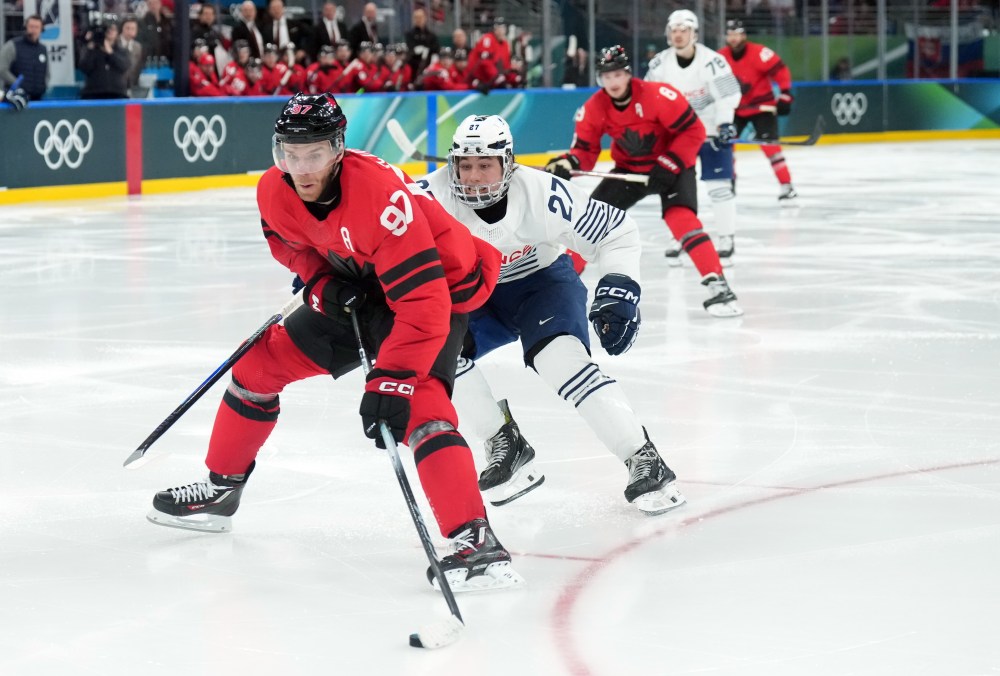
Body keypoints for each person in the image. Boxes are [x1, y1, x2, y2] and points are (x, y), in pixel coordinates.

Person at [146, 93, 522, 593]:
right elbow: (290, 246)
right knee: (260, 363)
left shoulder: (380, 198)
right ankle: (221, 490)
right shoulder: (273, 189)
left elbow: (423, 304)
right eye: (290, 154)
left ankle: (477, 542)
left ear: (339, 149)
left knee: (420, 405)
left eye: (315, 154)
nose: (301, 168)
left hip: (438, 288)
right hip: (362, 283)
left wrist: (391, 381)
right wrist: (322, 284)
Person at [416, 114, 686, 515]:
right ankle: (503, 441)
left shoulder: (542, 193)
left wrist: (619, 288)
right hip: (472, 291)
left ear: (508, 163)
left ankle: (642, 456)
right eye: (465, 165)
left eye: (485, 164)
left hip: (540, 285)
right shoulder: (426, 196)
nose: (473, 178)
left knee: (561, 361)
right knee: (433, 354)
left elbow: (616, 230)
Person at [544, 45, 742, 318]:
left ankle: (718, 285)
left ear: (628, 74)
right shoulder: (593, 108)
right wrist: (569, 163)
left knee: (681, 219)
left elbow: (693, 130)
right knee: (589, 224)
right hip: (629, 171)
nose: (613, 82)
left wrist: (670, 163)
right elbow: (585, 151)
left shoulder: (658, 95)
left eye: (617, 74)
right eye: (606, 76)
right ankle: (558, 290)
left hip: (671, 167)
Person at [645, 10, 742, 266]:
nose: (678, 35)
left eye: (684, 30)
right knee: (675, 188)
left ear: (694, 33)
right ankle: (679, 236)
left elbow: (728, 96)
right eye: (674, 30)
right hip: (677, 136)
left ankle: (726, 239)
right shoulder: (659, 64)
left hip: (710, 131)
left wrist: (724, 123)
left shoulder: (713, 61)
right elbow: (649, 98)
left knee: (719, 187)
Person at [719, 19, 797, 202]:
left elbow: (781, 71)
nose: (733, 38)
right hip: (735, 109)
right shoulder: (720, 58)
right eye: (730, 35)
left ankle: (787, 185)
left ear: (744, 35)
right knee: (725, 147)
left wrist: (785, 95)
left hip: (763, 108)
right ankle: (729, 184)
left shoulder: (760, 53)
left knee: (771, 148)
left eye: (737, 34)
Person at [0, 14, 49, 101]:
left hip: (38, 98)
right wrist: (17, 84)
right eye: (31, 26)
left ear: (41, 29)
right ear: (25, 27)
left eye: (37, 27)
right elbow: (2, 69)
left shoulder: (43, 49)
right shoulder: (12, 45)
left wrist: (44, 86)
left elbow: (47, 72)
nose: (34, 30)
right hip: (16, 99)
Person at [79, 20, 129, 99]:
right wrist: (91, 48)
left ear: (117, 33)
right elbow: (85, 67)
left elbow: (123, 66)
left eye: (113, 29)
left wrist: (110, 53)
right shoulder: (91, 49)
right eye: (107, 29)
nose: (110, 32)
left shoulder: (121, 51)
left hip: (117, 92)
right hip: (93, 92)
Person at [404, 7, 439, 79]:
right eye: (416, 17)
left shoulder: (431, 35)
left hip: (428, 63)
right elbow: (411, 47)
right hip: (414, 64)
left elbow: (436, 48)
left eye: (421, 17)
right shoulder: (410, 35)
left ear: (425, 18)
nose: (419, 20)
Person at [118, 15, 144, 96]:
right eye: (127, 28)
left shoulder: (137, 47)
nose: (130, 31)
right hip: (116, 85)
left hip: (132, 86)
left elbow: (137, 67)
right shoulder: (115, 43)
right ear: (122, 28)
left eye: (133, 29)